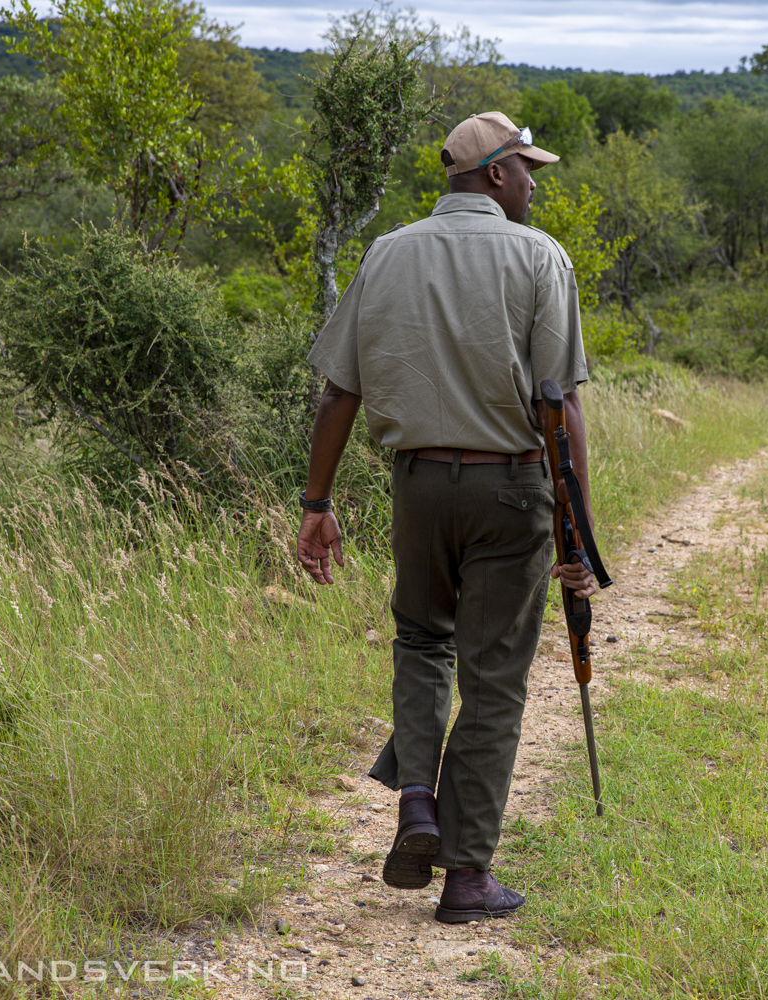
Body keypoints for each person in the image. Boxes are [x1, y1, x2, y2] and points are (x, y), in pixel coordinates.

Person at [294, 111, 598, 924]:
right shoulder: (539, 255)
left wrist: (316, 505)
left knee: (422, 641)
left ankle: (418, 803)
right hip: (511, 490)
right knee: (493, 682)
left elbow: (338, 393)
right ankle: (467, 879)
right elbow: (558, 403)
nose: (535, 182)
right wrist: (578, 540)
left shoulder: (387, 252)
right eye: (528, 169)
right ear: (495, 175)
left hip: (418, 486)